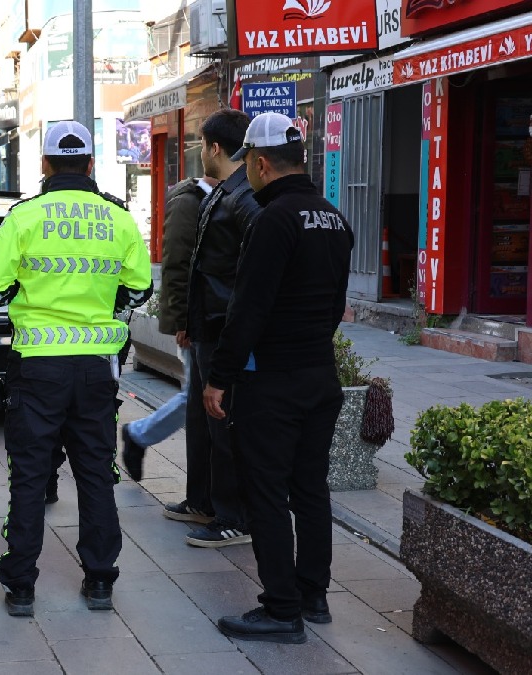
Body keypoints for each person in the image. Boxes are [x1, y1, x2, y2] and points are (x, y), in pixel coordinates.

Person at [0, 121, 152, 617]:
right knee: (96, 473)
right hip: (97, 369)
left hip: (37, 368)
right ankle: (100, 581)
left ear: (45, 165)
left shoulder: (25, 216)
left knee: (30, 475)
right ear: (91, 164)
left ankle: (21, 587)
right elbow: (140, 289)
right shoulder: (116, 219)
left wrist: (19, 293)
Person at [205, 112, 354, 644]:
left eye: (248, 161)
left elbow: (249, 309)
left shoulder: (273, 220)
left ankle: (281, 608)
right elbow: (337, 304)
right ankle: (313, 595)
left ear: (261, 163)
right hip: (319, 375)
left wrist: (219, 377)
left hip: (272, 382)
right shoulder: (334, 217)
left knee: (266, 492)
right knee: (310, 489)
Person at [170, 108, 259, 549]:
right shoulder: (221, 193)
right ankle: (205, 502)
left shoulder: (245, 199)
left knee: (225, 426)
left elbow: (246, 276)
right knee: (205, 422)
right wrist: (188, 322)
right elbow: (201, 268)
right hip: (207, 326)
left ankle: (233, 517)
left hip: (226, 329)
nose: (200, 153)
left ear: (215, 148)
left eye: (202, 145)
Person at [119, 176, 214, 481]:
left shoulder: (231, 195)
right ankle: (138, 435)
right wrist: (182, 320)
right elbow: (177, 265)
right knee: (195, 396)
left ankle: (138, 435)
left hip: (215, 319)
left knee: (198, 397)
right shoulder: (190, 200)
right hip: (198, 319)